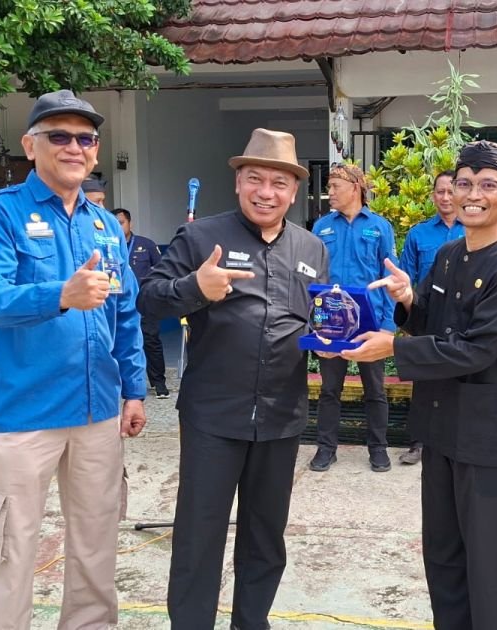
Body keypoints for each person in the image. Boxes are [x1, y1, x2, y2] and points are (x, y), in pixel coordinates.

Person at [0, 89, 147, 630]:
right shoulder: (0, 215)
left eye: (85, 138)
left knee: (96, 542)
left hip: (96, 413)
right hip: (23, 412)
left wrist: (133, 389)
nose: (74, 147)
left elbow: (126, 312)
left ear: (95, 151)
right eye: (58, 136)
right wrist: (59, 295)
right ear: (30, 145)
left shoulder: (104, 225)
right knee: (9, 549)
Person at [343, 140, 497, 630]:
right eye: (465, 184)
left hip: (488, 437)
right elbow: (431, 320)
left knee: (490, 570)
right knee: (444, 561)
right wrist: (409, 298)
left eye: (488, 185)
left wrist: (392, 348)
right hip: (443, 428)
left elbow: (476, 349)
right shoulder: (450, 255)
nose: (473, 195)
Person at [139, 128, 329, 630]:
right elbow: (149, 298)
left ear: (294, 190)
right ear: (239, 182)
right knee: (199, 536)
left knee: (266, 537)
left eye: (279, 183)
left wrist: (342, 336)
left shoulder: (311, 248)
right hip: (212, 417)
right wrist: (193, 287)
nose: (266, 192)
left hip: (281, 416)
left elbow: (320, 319)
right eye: (255, 179)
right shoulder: (202, 237)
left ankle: (252, 622)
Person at [309, 162, 397, 473]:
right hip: (332, 322)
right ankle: (326, 448)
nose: (329, 192)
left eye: (335, 186)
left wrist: (388, 327)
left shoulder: (380, 227)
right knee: (330, 389)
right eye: (329, 186)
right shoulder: (321, 227)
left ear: (354, 188)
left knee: (375, 389)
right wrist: (315, 327)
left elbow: (389, 278)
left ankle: (378, 448)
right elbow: (313, 276)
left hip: (369, 323)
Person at [395, 169, 464, 465]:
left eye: (451, 191)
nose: (446, 197)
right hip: (427, 315)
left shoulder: (473, 230)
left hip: (464, 318)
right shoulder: (418, 234)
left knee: (459, 380)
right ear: (433, 195)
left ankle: (455, 441)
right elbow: (405, 277)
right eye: (440, 192)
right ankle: (418, 443)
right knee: (423, 383)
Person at [117, 207, 170, 398]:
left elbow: (162, 269)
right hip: (119, 303)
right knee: (121, 342)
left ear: (130, 223)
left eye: (121, 222)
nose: (118, 226)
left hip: (144, 302)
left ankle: (159, 382)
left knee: (151, 340)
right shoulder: (108, 243)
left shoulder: (145, 245)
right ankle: (125, 385)